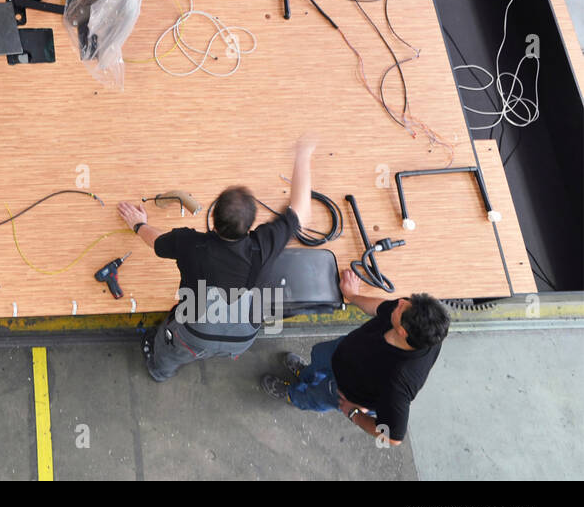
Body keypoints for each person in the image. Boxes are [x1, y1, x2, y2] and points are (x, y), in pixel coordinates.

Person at [117, 135, 316, 381]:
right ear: (252, 224)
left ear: (213, 220)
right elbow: (301, 212)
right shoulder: (264, 245)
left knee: (170, 347)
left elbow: (156, 242)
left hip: (194, 334)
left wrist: (138, 225)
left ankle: (159, 371)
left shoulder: (191, 244)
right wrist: (303, 155)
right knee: (213, 343)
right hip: (243, 338)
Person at [262, 269, 448, 446]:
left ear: (402, 331)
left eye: (402, 308)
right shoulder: (416, 320)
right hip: (341, 353)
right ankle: (306, 375)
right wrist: (352, 295)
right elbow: (380, 308)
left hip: (344, 390)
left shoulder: (398, 383)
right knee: (317, 358)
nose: (399, 302)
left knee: (315, 396)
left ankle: (293, 395)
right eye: (406, 302)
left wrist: (355, 414)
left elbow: (393, 437)